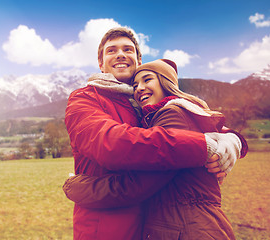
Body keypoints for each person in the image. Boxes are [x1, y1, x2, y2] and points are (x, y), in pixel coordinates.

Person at [64, 27, 247, 239]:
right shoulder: (86, 98)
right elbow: (111, 143)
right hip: (106, 228)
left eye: (128, 49)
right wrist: (203, 145)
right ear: (100, 62)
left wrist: (233, 139)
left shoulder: (147, 107)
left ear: (138, 61)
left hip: (147, 225)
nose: (121, 54)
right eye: (111, 50)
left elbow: (195, 119)